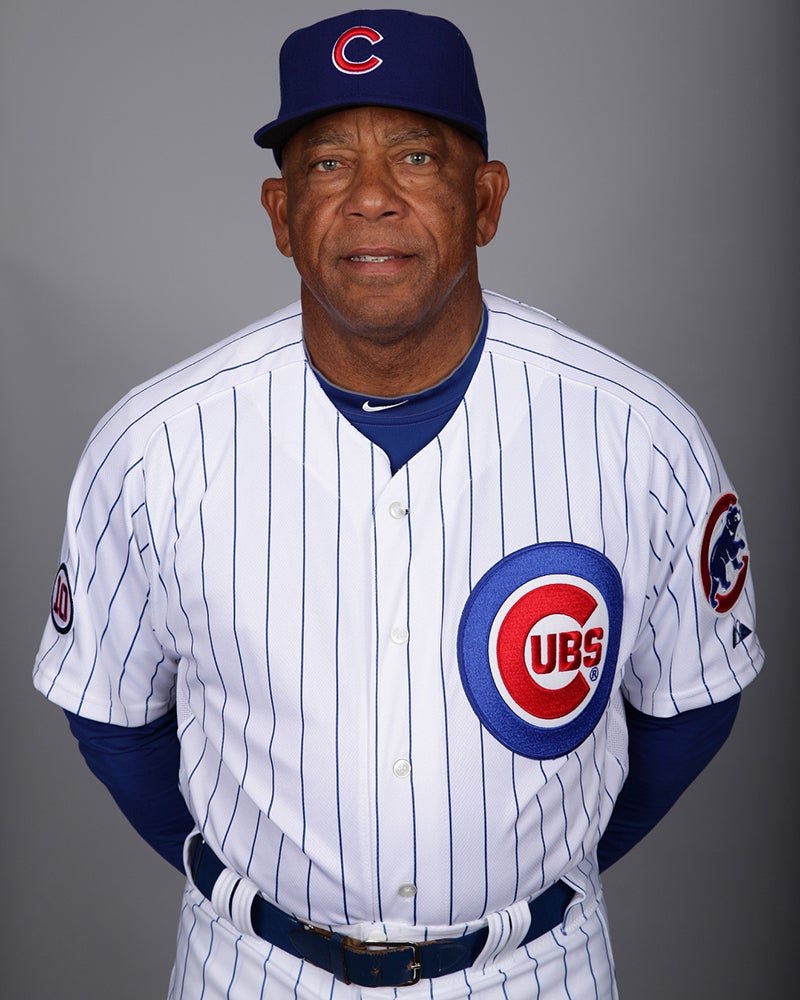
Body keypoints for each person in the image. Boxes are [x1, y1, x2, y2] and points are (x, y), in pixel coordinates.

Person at [33, 9, 764, 999]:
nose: (371, 198)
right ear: (279, 213)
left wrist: (536, 868)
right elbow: (113, 723)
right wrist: (263, 890)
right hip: (251, 969)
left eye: (417, 156)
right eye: (327, 164)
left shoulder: (639, 433)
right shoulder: (152, 445)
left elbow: (692, 706)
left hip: (534, 970)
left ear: (486, 200)